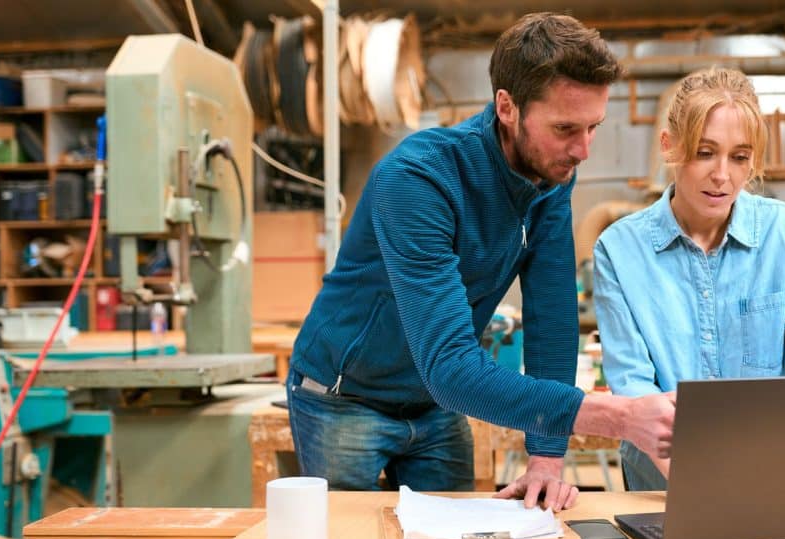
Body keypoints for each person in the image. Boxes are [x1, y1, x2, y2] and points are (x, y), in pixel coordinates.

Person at [288, 12, 677, 511]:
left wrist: (545, 457)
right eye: (565, 128)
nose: (582, 150)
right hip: (344, 399)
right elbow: (450, 366)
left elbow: (552, 321)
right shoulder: (417, 180)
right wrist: (618, 417)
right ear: (507, 107)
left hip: (435, 405)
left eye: (593, 127)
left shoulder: (551, 176)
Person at [592, 67, 785, 491]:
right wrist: (702, 492)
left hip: (776, 478)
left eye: (739, 157)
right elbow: (636, 393)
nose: (722, 175)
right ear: (670, 147)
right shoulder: (619, 251)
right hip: (664, 486)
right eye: (705, 152)